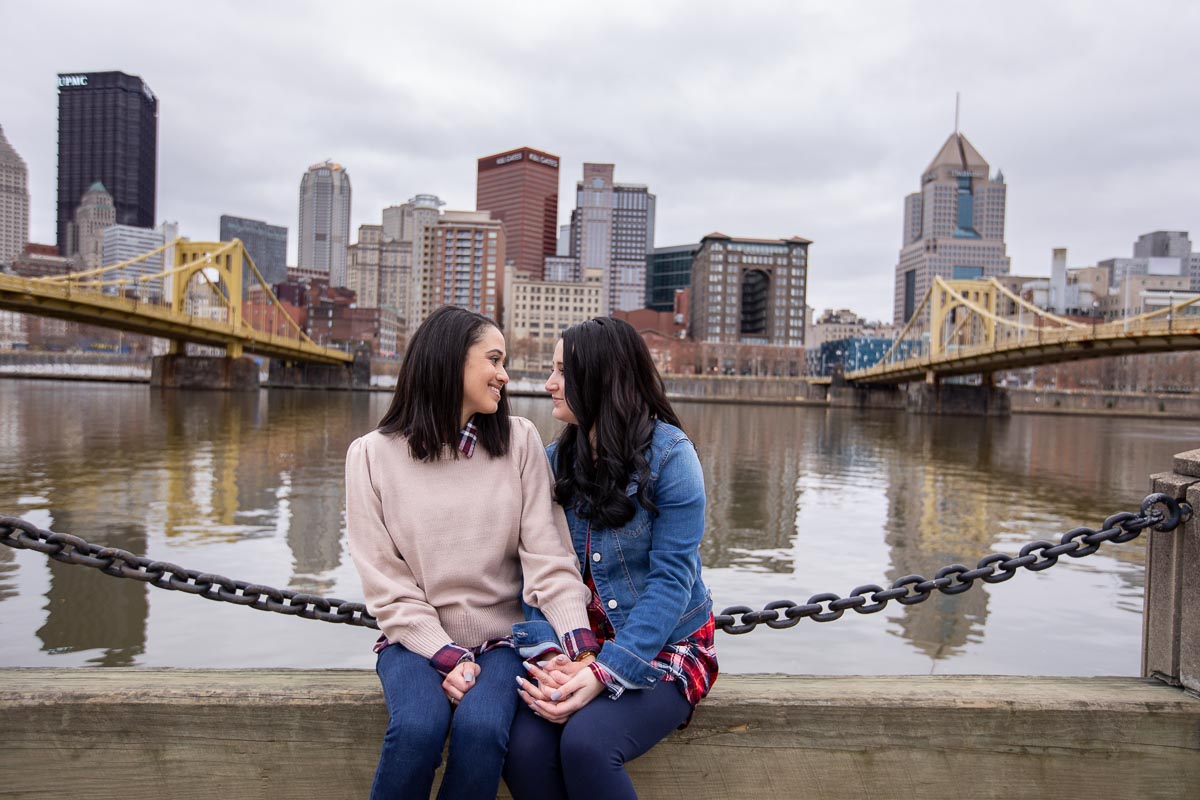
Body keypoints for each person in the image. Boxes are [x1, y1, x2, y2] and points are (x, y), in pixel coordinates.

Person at [345, 306, 592, 800]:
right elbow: (384, 578)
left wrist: (579, 647)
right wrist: (445, 653)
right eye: (494, 359)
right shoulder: (370, 455)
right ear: (450, 361)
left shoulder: (519, 441)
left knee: (481, 731)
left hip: (503, 644)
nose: (505, 374)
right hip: (413, 642)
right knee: (417, 728)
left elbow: (548, 555)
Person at [503, 317, 718, 800]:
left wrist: (605, 671)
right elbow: (539, 571)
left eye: (562, 371)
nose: (548, 383)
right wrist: (554, 658)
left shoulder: (672, 458)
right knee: (522, 747)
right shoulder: (553, 460)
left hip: (664, 648)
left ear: (600, 378)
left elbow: (671, 582)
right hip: (576, 643)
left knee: (587, 744)